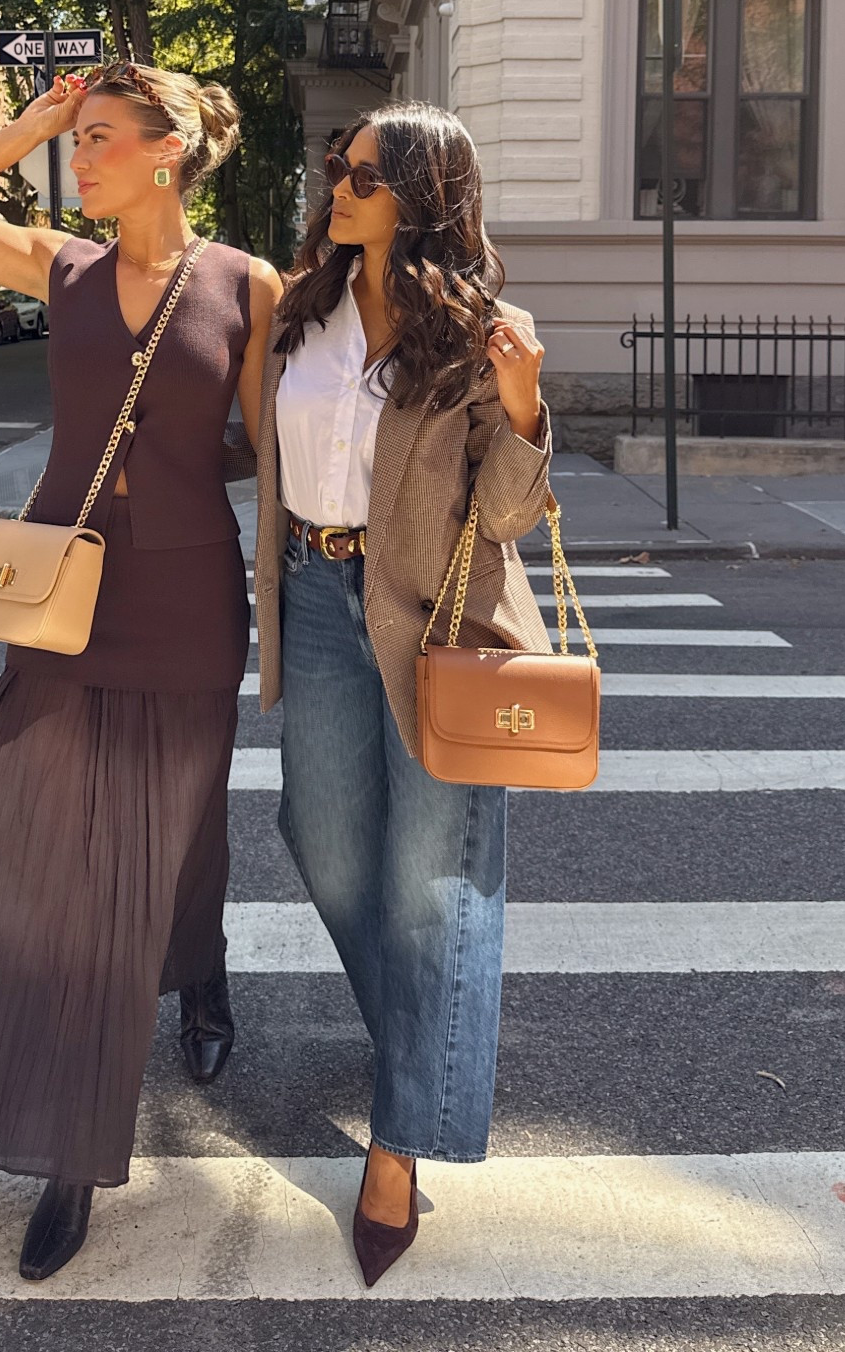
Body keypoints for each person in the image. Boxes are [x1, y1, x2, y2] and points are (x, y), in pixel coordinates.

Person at [0, 62, 281, 1281]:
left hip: (189, 595)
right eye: (80, 141)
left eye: (104, 138)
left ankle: (200, 969)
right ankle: (69, 1149)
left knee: (175, 827)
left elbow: (274, 449)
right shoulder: (61, 266)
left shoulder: (244, 283)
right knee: (54, 842)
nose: (83, 160)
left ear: (168, 152)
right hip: (64, 591)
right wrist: (30, 120)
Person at [251, 102, 552, 1286]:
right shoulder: (298, 311)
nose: (342, 184)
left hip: (436, 620)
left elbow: (518, 510)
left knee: (429, 884)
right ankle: (424, 1064)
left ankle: (397, 1138)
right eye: (338, 166)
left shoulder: (482, 330)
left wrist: (525, 407)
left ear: (424, 193)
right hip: (316, 601)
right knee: (327, 849)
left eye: (366, 173)